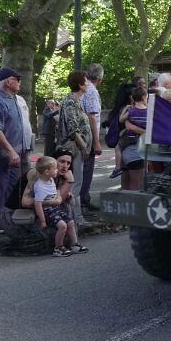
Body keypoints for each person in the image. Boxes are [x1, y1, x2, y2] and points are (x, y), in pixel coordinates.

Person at [0, 67, 28, 232]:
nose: (20, 82)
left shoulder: (13, 98)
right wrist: (10, 151)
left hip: (14, 153)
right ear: (8, 81)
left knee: (11, 189)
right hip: (1, 154)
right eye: (17, 79)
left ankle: (5, 220)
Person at [32, 156, 87, 257]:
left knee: (70, 222)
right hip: (48, 211)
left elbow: (55, 190)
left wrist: (59, 196)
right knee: (62, 226)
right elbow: (38, 204)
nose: (57, 170)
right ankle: (58, 248)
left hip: (55, 208)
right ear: (47, 172)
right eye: (55, 169)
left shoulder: (51, 180)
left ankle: (74, 244)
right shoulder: (39, 186)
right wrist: (43, 221)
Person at [57, 71, 92, 225]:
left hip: (76, 148)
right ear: (79, 84)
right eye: (85, 80)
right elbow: (73, 128)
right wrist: (84, 147)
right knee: (74, 183)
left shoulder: (76, 101)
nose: (88, 83)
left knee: (76, 182)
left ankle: (75, 217)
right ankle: (75, 218)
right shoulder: (71, 102)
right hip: (74, 148)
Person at [80, 63, 103, 218]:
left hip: (81, 135)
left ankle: (83, 199)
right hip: (87, 136)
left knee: (82, 169)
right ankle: (83, 201)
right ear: (99, 78)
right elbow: (92, 116)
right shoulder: (91, 91)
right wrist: (96, 141)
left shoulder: (82, 88)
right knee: (86, 169)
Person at [104, 80, 137, 178]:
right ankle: (117, 167)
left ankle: (117, 167)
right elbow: (125, 123)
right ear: (130, 96)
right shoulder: (128, 108)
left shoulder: (124, 108)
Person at [119, 87, 147, 190]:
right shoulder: (149, 112)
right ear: (143, 97)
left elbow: (121, 120)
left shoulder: (131, 111)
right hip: (140, 148)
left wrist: (125, 109)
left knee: (127, 183)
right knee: (137, 184)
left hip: (128, 144)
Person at [15, 93, 34, 174]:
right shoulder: (0, 100)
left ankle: (25, 180)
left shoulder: (21, 99)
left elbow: (26, 119)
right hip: (14, 141)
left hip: (26, 138)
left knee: (26, 162)